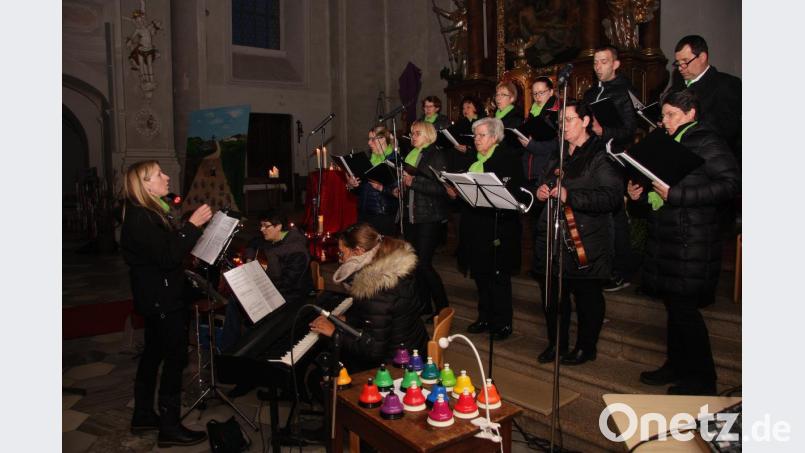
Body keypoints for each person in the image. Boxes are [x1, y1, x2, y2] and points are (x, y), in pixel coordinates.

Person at [629, 90, 739, 395]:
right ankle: (676, 365)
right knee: (674, 308)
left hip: (693, 240)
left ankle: (704, 380)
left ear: (691, 114)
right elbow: (658, 188)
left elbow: (731, 184)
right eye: (663, 115)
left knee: (685, 312)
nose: (664, 121)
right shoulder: (670, 141)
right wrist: (638, 197)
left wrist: (677, 196)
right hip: (668, 236)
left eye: (671, 115)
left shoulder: (706, 140)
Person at [120, 160, 212, 447]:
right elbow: (167, 256)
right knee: (174, 359)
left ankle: (144, 414)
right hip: (162, 300)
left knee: (153, 354)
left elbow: (163, 252)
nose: (166, 177)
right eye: (159, 174)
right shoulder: (142, 217)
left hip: (156, 297)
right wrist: (192, 227)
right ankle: (169, 427)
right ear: (145, 184)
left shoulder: (149, 211)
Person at [533, 100, 622, 366]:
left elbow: (611, 197)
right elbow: (544, 182)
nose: (563, 126)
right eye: (560, 122)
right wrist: (541, 192)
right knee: (553, 296)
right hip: (553, 235)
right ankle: (556, 343)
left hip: (587, 238)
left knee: (587, 297)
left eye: (569, 119)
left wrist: (570, 195)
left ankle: (586, 346)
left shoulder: (600, 155)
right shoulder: (556, 154)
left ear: (585, 121)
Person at [308, 223, 429, 372]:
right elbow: (382, 317)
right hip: (414, 347)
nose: (340, 260)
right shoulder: (391, 268)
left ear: (358, 251)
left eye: (342, 253)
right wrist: (348, 320)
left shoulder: (376, 290)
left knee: (323, 366)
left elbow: (373, 353)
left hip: (397, 365)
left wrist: (334, 332)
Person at [453, 117, 528, 341]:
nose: (476, 139)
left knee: (498, 277)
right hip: (475, 226)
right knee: (480, 275)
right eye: (475, 135)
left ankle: (503, 322)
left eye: (481, 135)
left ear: (494, 137)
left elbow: (515, 193)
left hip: (498, 227)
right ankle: (484, 317)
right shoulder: (471, 159)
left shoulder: (508, 159)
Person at [582, 45, 638, 292]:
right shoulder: (591, 92)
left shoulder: (625, 91)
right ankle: (598, 266)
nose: (598, 66)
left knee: (615, 217)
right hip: (591, 157)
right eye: (595, 62)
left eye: (603, 61)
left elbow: (630, 129)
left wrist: (604, 131)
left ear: (615, 64)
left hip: (614, 159)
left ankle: (620, 270)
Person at [220, 208, 312, 354]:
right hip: (272, 288)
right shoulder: (271, 238)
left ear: (279, 226)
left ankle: (246, 350)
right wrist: (250, 258)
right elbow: (253, 241)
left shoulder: (297, 251)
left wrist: (259, 290)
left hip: (291, 298)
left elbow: (287, 285)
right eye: (261, 225)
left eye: (266, 226)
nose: (262, 229)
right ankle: (229, 351)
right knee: (235, 300)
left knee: (245, 306)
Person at [395, 121, 451, 319]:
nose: (413, 136)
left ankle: (443, 306)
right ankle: (424, 305)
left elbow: (442, 189)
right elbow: (410, 187)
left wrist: (413, 182)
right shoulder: (412, 155)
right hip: (411, 215)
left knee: (424, 263)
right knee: (414, 264)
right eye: (411, 133)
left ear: (428, 134)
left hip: (429, 217)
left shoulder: (436, 155)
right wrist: (400, 189)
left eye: (417, 133)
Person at [669, 35, 741, 161]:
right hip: (678, 152)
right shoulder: (677, 86)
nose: (680, 68)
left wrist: (685, 123)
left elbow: (727, 128)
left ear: (702, 57)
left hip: (710, 158)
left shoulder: (727, 84)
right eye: (678, 63)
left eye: (685, 62)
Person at [345, 126, 400, 236]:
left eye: (372, 139)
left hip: (383, 215)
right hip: (364, 213)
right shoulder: (368, 160)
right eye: (369, 139)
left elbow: (400, 192)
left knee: (382, 251)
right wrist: (351, 185)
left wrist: (381, 188)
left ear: (383, 139)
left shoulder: (394, 160)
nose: (369, 143)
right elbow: (360, 190)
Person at [446, 95, 485, 172]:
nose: (465, 110)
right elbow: (449, 134)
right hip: (458, 156)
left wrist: (468, 149)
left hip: (475, 156)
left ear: (476, 107)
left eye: (468, 107)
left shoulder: (484, 122)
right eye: (463, 108)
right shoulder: (460, 123)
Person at [494, 81, 526, 149]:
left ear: (512, 98)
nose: (498, 98)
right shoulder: (495, 117)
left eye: (503, 95)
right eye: (497, 94)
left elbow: (514, 145)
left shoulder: (517, 118)